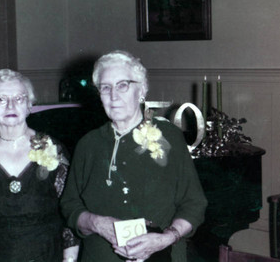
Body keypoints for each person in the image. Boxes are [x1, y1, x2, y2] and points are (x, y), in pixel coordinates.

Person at [60, 51, 207, 262]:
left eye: (122, 85)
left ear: (142, 90)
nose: (113, 96)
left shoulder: (170, 138)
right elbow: (70, 206)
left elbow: (194, 204)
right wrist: (95, 223)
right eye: (105, 88)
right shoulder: (88, 144)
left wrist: (167, 238)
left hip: (162, 256)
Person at [0, 69, 79, 262]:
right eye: (1, 99)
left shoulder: (54, 149)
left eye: (19, 99)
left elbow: (69, 213)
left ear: (29, 105)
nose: (11, 105)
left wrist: (69, 260)